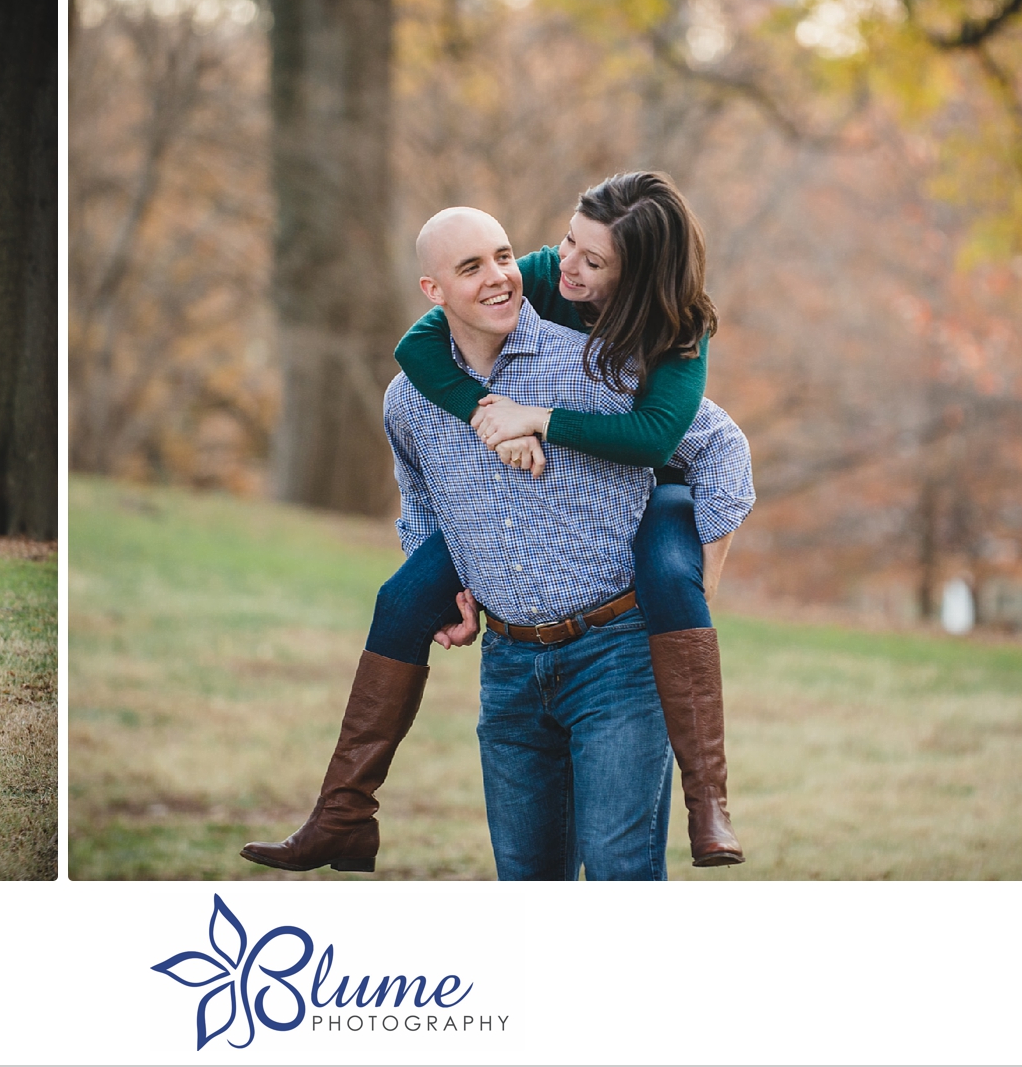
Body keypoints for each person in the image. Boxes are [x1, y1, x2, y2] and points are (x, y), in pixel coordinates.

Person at [242, 172, 752, 873]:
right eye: (565, 245)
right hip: (509, 667)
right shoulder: (417, 392)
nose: (552, 267)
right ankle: (343, 814)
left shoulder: (611, 362)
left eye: (591, 261)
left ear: (630, 276)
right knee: (525, 882)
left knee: (619, 879)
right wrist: (485, 414)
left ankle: (710, 802)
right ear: (434, 289)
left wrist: (709, 569)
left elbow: (693, 441)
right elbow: (419, 489)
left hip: (615, 641)